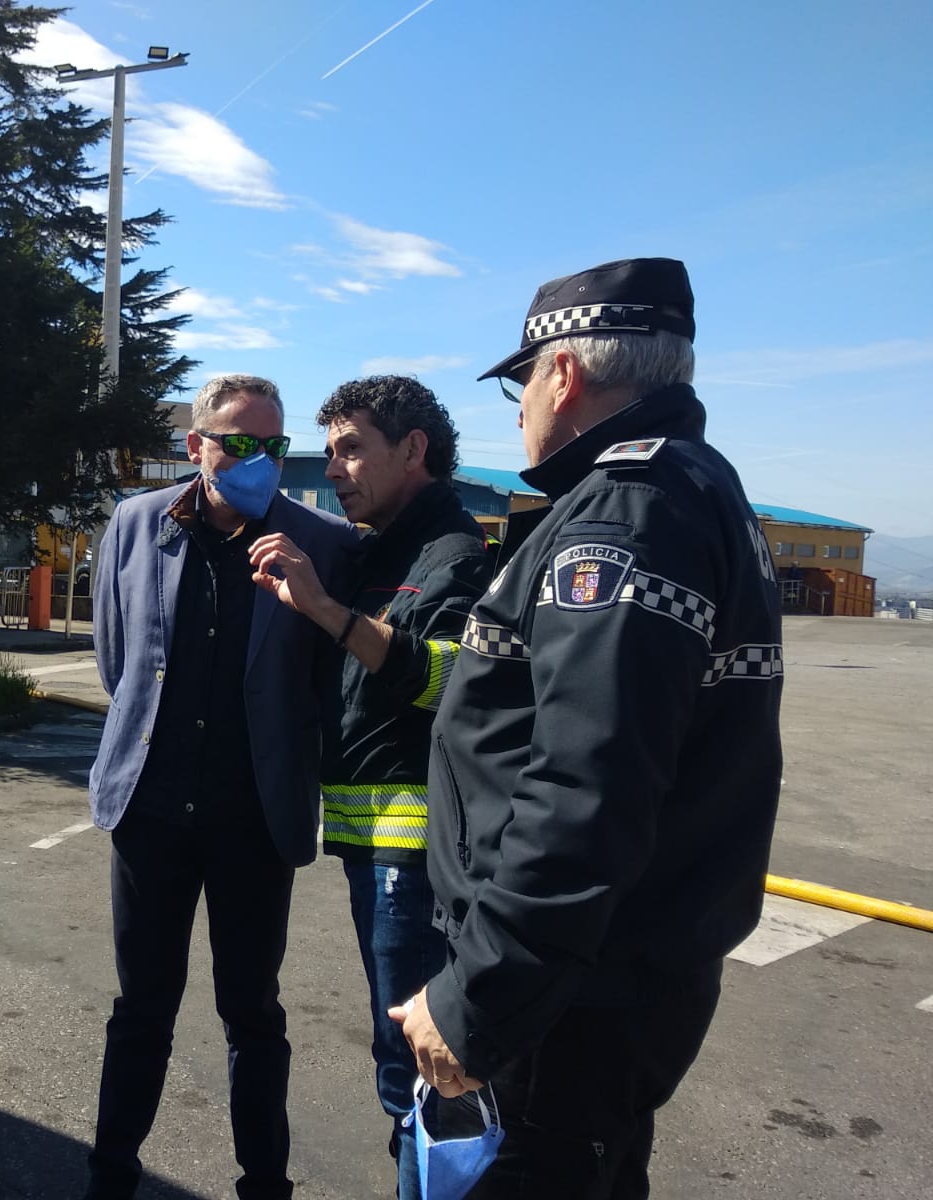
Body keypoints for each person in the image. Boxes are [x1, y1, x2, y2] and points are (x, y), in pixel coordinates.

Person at [398, 258, 784, 1197]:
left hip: (565, 1003)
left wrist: (481, 995)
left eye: (522, 384)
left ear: (563, 374)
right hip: (606, 979)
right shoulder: (690, 487)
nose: (521, 410)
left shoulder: (626, 512)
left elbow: (587, 784)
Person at [84, 374, 360, 1200]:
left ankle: (264, 1184)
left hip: (254, 820)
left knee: (253, 1013)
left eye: (273, 445)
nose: (258, 460)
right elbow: (116, 660)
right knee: (142, 1009)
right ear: (196, 446)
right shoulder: (137, 523)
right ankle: (110, 1178)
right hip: (151, 812)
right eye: (239, 444)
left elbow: (325, 682)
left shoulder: (322, 542)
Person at [246, 376, 491, 1199]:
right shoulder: (380, 549)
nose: (334, 468)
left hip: (412, 857)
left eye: (351, 449)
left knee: (421, 1070)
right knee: (406, 1065)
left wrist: (327, 610)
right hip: (371, 848)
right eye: (331, 450)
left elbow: (446, 680)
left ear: (413, 449)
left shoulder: (453, 555)